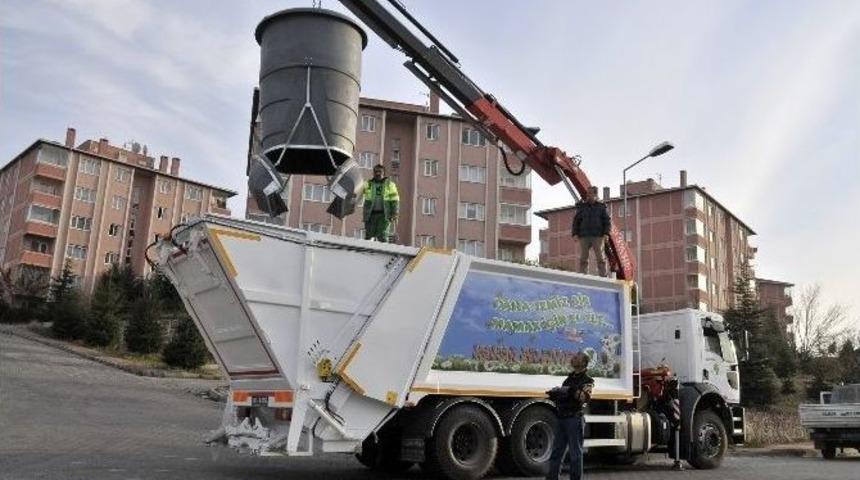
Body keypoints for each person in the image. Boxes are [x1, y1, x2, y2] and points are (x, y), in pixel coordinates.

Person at [546, 352, 594, 480]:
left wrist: (571, 390)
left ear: (584, 363)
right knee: (556, 453)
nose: (573, 358)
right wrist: (555, 394)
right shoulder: (568, 379)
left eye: (577, 357)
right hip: (562, 417)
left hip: (574, 419)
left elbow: (584, 398)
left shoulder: (588, 381)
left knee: (575, 454)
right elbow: (565, 396)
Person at [571, 187, 611, 277]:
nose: (588, 195)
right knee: (583, 258)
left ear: (595, 195)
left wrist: (606, 233)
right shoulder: (582, 207)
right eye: (587, 193)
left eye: (590, 193)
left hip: (598, 236)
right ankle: (583, 275)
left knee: (600, 257)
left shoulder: (601, 207)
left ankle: (603, 275)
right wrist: (575, 233)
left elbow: (607, 221)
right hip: (584, 236)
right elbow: (576, 221)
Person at [360, 164, 400, 242]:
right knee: (369, 235)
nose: (377, 173)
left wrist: (395, 213)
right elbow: (357, 192)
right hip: (370, 214)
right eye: (375, 171)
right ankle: (366, 252)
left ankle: (384, 252)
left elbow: (395, 200)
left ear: (384, 173)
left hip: (384, 215)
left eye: (380, 171)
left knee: (382, 236)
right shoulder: (368, 184)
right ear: (373, 173)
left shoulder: (390, 184)